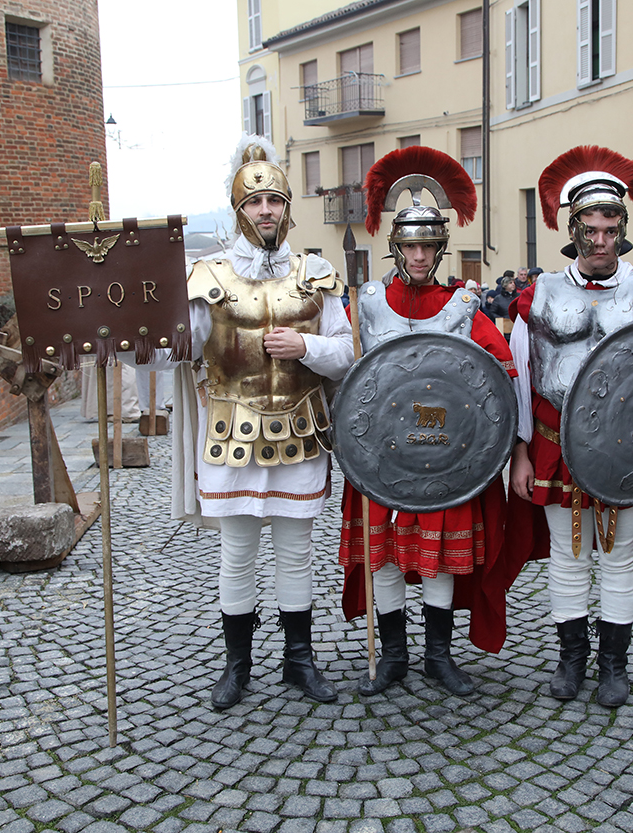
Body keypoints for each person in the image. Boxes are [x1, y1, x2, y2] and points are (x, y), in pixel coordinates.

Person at [171, 135, 355, 709]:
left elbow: (347, 351)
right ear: (238, 210)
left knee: (297, 554)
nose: (265, 211)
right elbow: (182, 346)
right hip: (231, 436)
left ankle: (298, 662)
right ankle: (237, 665)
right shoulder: (209, 276)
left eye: (274, 200)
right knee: (237, 553)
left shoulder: (316, 271)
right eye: (254, 203)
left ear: (286, 208)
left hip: (301, 432)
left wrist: (306, 345)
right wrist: (127, 339)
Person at [504, 146, 633, 708]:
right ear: (572, 229)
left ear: (623, 229)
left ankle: (614, 664)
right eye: (591, 228)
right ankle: (570, 659)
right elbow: (519, 377)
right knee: (567, 552)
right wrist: (519, 452)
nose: (602, 239)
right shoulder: (537, 296)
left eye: (611, 227)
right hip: (557, 445)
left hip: (629, 449)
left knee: (621, 552)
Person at [337, 146, 515, 697]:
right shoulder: (365, 304)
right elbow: (341, 372)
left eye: (429, 245)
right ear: (396, 246)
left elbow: (499, 378)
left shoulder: (464, 308)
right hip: (377, 458)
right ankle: (392, 655)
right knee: (385, 557)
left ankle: (438, 656)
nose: (419, 255)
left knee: (437, 559)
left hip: (446, 457)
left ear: (440, 249)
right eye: (411, 244)